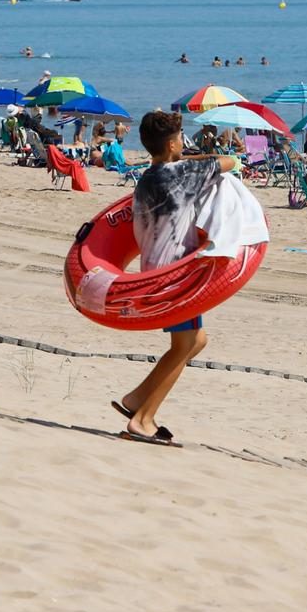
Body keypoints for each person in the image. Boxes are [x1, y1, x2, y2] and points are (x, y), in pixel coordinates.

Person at [111, 110, 243, 446]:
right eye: (181, 137)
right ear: (172, 143)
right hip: (176, 276)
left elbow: (181, 161)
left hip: (153, 272)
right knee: (185, 345)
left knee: (197, 341)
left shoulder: (147, 177)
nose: (184, 142)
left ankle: (137, 398)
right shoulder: (184, 173)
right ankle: (142, 420)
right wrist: (191, 157)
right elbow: (229, 161)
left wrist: (180, 155)